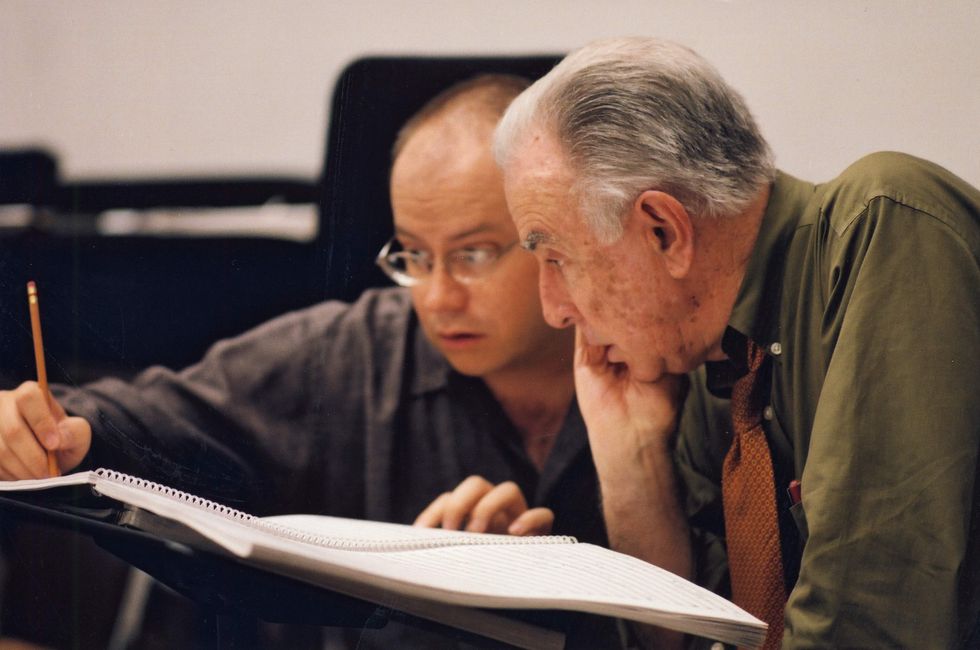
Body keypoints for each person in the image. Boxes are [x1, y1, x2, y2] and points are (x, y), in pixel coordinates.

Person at [0, 75, 610, 648]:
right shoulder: (350, 355)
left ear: (548, 233)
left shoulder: (650, 355)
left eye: (473, 255)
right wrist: (43, 426)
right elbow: (145, 416)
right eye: (414, 257)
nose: (438, 296)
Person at [494, 36, 980, 649]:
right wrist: (633, 464)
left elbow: (867, 624)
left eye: (556, 258)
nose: (552, 309)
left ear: (664, 231)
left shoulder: (882, 226)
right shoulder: (709, 361)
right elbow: (695, 640)